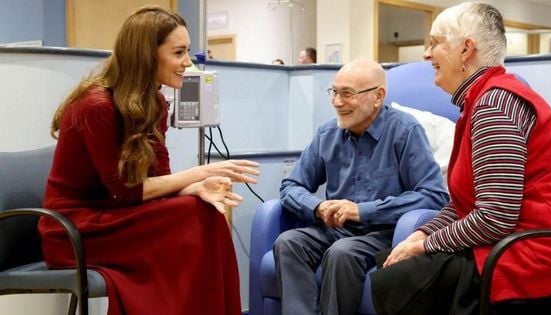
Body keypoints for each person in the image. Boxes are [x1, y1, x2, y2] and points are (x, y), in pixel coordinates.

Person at [370, 3, 551, 315]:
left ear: (466, 49)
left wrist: (426, 244)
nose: (426, 54)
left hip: (541, 254)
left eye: (435, 42)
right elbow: (466, 202)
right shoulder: (483, 99)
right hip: (516, 242)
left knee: (398, 280)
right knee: (393, 260)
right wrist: (423, 233)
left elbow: (495, 217)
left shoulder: (495, 105)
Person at [38, 6, 259, 315]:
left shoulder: (152, 101)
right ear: (146, 55)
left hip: (116, 215)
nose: (188, 62)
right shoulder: (95, 106)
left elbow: (158, 179)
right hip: (75, 229)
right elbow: (125, 191)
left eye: (188, 52)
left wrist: (194, 188)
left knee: (203, 209)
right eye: (179, 52)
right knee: (195, 216)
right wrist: (200, 173)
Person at [274, 59, 449, 315]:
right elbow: (291, 186)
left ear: (378, 96)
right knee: (288, 242)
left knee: (342, 254)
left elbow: (433, 196)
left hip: (385, 233)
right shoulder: (327, 133)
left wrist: (362, 210)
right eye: (334, 92)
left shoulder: (405, 130)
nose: (337, 102)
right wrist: (317, 207)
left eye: (347, 94)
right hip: (336, 228)